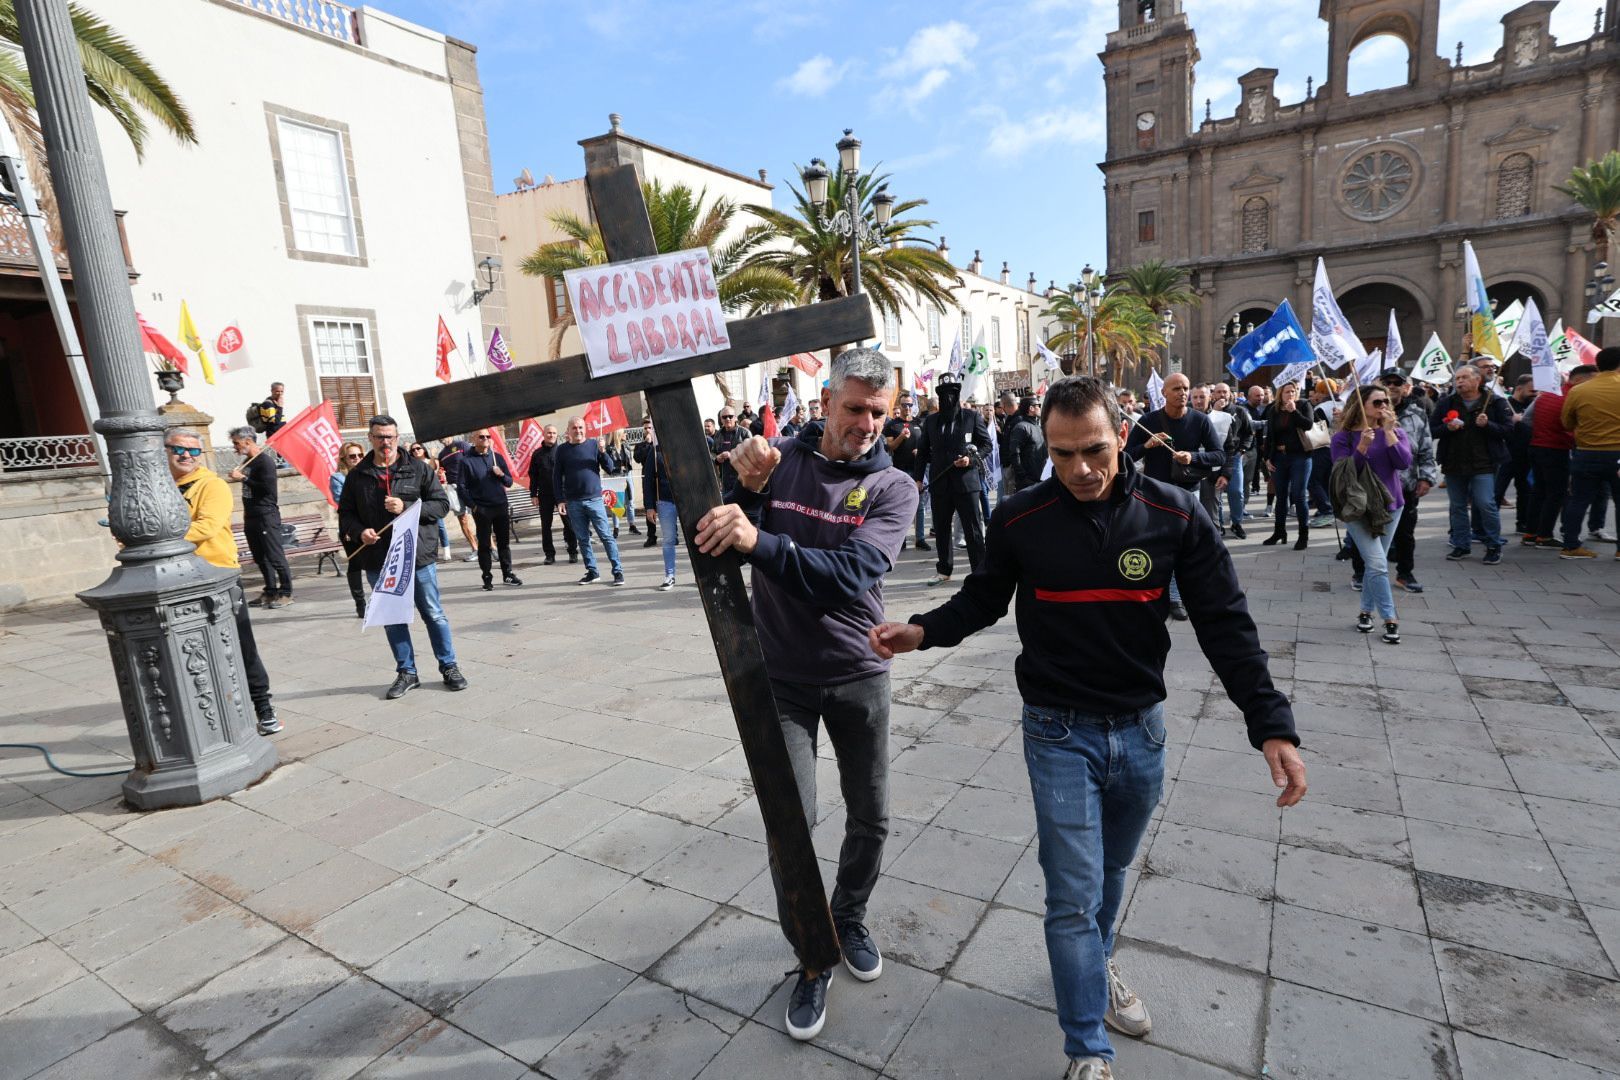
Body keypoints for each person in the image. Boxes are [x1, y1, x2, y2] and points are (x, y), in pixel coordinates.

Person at [869, 376, 1304, 1079]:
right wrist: (921, 631)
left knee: (1109, 874)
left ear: (1122, 436)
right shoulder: (1018, 518)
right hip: (1057, 732)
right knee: (1072, 893)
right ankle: (1087, 1051)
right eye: (1064, 454)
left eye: (1094, 450)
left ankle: (1095, 973)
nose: (1080, 469)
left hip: (1142, 733)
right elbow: (983, 597)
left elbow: (1227, 624)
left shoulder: (1177, 514)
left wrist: (1271, 726)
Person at [693, 347, 919, 1043]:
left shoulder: (895, 489)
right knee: (790, 825)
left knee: (871, 817)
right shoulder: (778, 460)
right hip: (781, 678)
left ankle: (847, 916)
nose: (867, 424)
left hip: (858, 674)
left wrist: (759, 534)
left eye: (880, 412)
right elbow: (720, 541)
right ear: (824, 402)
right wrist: (750, 496)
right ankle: (812, 955)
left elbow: (848, 574)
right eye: (854, 408)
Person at [337, 415, 467, 699]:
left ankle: (449, 666)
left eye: (390, 437)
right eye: (380, 437)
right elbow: (345, 514)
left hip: (417, 557)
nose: (386, 442)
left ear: (397, 437)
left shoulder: (418, 469)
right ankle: (407, 672)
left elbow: (441, 505)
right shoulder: (358, 475)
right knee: (393, 618)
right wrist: (361, 533)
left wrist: (406, 506)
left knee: (433, 613)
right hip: (379, 559)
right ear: (370, 438)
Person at [165, 427, 281, 735]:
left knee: (241, 645)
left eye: (192, 451)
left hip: (216, 575)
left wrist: (158, 540)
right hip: (175, 578)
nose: (185, 456)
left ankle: (263, 707)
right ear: (164, 451)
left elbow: (207, 526)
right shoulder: (159, 489)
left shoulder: (212, 485)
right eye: (178, 449)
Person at [1123, 372, 1224, 619]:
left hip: (1188, 494)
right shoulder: (1148, 421)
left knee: (1183, 546)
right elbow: (1124, 457)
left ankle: (1177, 597)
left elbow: (1219, 456)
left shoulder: (1200, 421)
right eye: (1176, 388)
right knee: (1155, 546)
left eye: (1185, 388)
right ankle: (1155, 593)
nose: (1182, 393)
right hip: (1153, 495)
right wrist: (1147, 446)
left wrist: (1193, 456)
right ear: (1163, 393)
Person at [1332, 387, 1412, 643]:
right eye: (1377, 402)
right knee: (1378, 563)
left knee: (1373, 564)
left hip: (1391, 505)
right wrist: (1362, 447)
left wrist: (1388, 432)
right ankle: (1390, 618)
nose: (1383, 406)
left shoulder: (1395, 431)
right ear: (1361, 404)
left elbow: (1403, 463)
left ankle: (1365, 612)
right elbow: (1344, 473)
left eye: (1386, 401)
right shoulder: (1343, 437)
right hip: (1359, 508)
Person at [1350, 373, 1437, 593]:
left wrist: (1426, 476)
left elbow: (1425, 446)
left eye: (1396, 383)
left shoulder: (1417, 413)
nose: (1392, 386)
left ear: (1406, 387)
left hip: (1405, 484)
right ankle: (1361, 573)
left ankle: (1405, 573)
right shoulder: (1363, 415)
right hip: (1371, 486)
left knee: (1406, 532)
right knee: (1366, 534)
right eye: (1386, 383)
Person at [914, 373, 992, 585]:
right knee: (941, 527)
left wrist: (971, 459)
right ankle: (944, 570)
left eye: (951, 394)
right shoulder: (930, 422)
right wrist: (918, 480)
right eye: (942, 395)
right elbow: (922, 453)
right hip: (940, 482)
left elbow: (986, 445)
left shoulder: (971, 417)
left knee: (973, 529)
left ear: (957, 395)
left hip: (967, 483)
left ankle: (980, 572)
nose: (947, 398)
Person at [1432, 364, 1512, 564]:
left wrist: (1489, 425)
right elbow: (1432, 430)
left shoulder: (1495, 402)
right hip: (1453, 462)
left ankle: (1493, 544)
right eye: (1457, 378)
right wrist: (1447, 428)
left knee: (1486, 504)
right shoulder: (1447, 402)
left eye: (1464, 377)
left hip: (1484, 463)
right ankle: (1461, 544)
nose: (1459, 381)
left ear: (1477, 380)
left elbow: (1509, 430)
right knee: (1457, 506)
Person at [1558, 346, 1620, 559]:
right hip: (1617, 454)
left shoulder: (1578, 390)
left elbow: (1566, 423)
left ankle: (1571, 546)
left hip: (1586, 453)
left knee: (1578, 500)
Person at [1523, 365, 1594, 549]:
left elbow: (1527, 419)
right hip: (1556, 449)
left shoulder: (1546, 395)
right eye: (1592, 379)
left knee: (1539, 491)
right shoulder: (1574, 397)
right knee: (1556, 494)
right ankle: (1545, 536)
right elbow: (1574, 427)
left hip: (1537, 446)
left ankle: (1530, 533)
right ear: (1578, 380)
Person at [228, 426, 293, 609]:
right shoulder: (249, 461)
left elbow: (267, 489)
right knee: (260, 557)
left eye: (237, 443)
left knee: (275, 556)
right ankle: (270, 591)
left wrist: (243, 479)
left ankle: (286, 592)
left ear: (248, 441)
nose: (235, 447)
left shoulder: (264, 462)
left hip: (266, 515)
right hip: (251, 515)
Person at [555, 416, 624, 585]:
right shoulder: (562, 450)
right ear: (569, 430)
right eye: (574, 428)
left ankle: (618, 572)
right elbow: (556, 477)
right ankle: (592, 571)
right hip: (573, 502)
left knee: (606, 536)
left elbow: (610, 468)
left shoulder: (594, 445)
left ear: (584, 429)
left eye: (580, 428)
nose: (578, 431)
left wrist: (603, 451)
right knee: (583, 539)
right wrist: (560, 500)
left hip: (594, 500)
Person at [460, 428, 523, 591]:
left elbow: (508, 482)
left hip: (500, 506)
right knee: (484, 545)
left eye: (488, 436)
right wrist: (473, 506)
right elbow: (461, 487)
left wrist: (500, 473)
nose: (485, 439)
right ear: (474, 438)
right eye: (481, 437)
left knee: (504, 543)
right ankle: (487, 577)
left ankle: (507, 574)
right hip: (482, 509)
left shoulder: (498, 458)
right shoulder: (466, 461)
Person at [1260, 381, 1314, 550]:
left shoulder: (1304, 405)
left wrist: (1294, 411)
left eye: (1293, 391)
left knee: (1298, 495)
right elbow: (1269, 436)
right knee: (1281, 496)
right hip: (1279, 457)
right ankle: (1279, 532)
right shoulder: (1273, 410)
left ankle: (1303, 535)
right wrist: (1267, 458)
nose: (1291, 394)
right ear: (1280, 395)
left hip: (1300, 456)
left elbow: (1308, 425)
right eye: (1287, 392)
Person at [635, 417, 679, 589]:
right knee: (668, 540)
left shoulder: (684, 450)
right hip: (665, 502)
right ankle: (670, 575)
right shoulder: (654, 452)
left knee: (695, 540)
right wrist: (650, 507)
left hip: (686, 502)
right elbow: (648, 483)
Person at [883, 393, 927, 551]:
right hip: (900, 469)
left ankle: (920, 538)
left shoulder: (919, 423)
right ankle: (901, 540)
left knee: (919, 506)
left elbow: (927, 445)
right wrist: (901, 437)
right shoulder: (892, 425)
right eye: (903, 405)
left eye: (909, 405)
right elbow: (890, 447)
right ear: (899, 406)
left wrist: (920, 451)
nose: (907, 408)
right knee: (901, 506)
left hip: (918, 469)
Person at [528, 424, 577, 565]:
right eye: (549, 433)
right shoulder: (537, 454)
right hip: (545, 495)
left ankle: (572, 551)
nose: (551, 435)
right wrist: (533, 494)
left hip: (563, 494)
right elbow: (533, 475)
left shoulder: (563, 451)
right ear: (544, 434)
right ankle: (549, 554)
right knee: (546, 526)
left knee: (569, 524)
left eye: (554, 433)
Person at [1210, 383, 1253, 538]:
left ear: (1230, 394)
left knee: (1236, 492)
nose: (1222, 395)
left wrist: (1242, 449)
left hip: (1233, 457)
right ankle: (1219, 523)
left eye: (1225, 392)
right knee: (1216, 493)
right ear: (1213, 394)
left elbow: (1249, 433)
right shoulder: (1209, 411)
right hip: (1214, 457)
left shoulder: (1239, 411)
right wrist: (1215, 412)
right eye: (1218, 392)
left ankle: (1236, 522)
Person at [331, 440, 369, 617]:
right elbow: (343, 502)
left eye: (360, 455)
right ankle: (360, 604)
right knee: (355, 563)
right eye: (352, 456)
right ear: (344, 459)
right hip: (350, 527)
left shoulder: (368, 473)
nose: (357, 459)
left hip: (371, 523)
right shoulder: (338, 478)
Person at [437, 438, 480, 562]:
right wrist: (442, 475)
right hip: (454, 488)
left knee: (480, 516)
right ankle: (475, 549)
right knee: (462, 519)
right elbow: (442, 472)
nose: (442, 438)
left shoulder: (462, 445)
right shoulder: (442, 454)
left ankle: (491, 548)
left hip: (469, 485)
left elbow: (473, 460)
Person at [1009, 394, 1047, 493]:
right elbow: (1014, 454)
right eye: (1038, 405)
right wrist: (1023, 477)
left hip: (1042, 479)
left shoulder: (1039, 427)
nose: (1039, 408)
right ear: (1031, 408)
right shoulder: (1021, 427)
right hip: (1027, 483)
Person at [713, 407, 747, 495]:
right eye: (724, 417)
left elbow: (751, 454)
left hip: (742, 480)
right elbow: (712, 453)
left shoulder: (744, 433)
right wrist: (717, 458)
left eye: (730, 416)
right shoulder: (718, 435)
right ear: (721, 419)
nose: (728, 419)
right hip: (725, 481)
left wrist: (732, 455)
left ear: (735, 418)